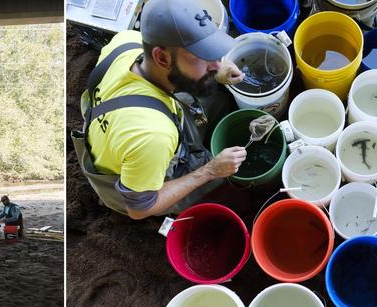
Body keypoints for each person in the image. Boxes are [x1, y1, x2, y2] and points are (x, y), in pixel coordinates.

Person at [72, 0, 247, 220]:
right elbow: (140, 208)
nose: (215, 64)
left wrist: (214, 71)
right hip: (137, 180)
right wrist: (210, 170)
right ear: (162, 57)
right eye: (201, 58)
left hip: (120, 130)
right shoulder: (154, 137)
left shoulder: (127, 41)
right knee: (222, 188)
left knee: (217, 99)